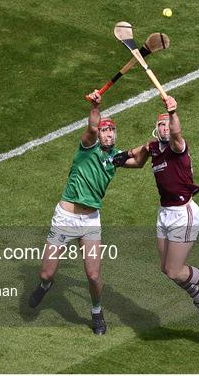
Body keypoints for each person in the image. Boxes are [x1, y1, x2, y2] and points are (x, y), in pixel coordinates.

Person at [112, 95, 199, 325]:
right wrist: (119, 157)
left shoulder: (179, 148)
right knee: (166, 269)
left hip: (183, 213)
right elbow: (137, 161)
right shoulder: (154, 147)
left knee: (176, 270)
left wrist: (173, 112)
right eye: (161, 124)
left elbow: (177, 135)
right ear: (156, 129)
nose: (165, 127)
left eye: (168, 123)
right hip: (164, 212)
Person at [28, 90, 120, 335]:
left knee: (92, 275)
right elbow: (91, 128)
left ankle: (97, 311)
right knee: (46, 272)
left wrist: (156, 146)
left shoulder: (115, 158)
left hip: (90, 221)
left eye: (112, 130)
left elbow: (138, 158)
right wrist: (95, 108)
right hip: (65, 217)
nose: (108, 133)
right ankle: (46, 285)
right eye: (105, 130)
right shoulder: (87, 148)